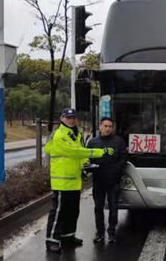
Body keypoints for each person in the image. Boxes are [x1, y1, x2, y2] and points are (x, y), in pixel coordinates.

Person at [44, 108, 112, 253]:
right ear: (62, 118)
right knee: (58, 212)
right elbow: (75, 152)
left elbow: (81, 155)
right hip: (62, 181)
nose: (72, 120)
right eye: (68, 117)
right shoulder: (60, 135)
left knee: (72, 211)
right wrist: (101, 152)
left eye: (74, 117)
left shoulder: (76, 134)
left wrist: (86, 164)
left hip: (74, 180)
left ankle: (68, 236)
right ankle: (52, 240)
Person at [87, 117, 128, 243]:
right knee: (98, 207)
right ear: (100, 127)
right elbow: (88, 159)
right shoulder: (92, 142)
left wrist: (116, 170)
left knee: (113, 207)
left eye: (110, 126)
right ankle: (100, 232)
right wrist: (89, 167)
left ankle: (111, 231)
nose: (108, 128)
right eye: (105, 126)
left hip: (113, 181)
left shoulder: (119, 141)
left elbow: (123, 158)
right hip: (98, 180)